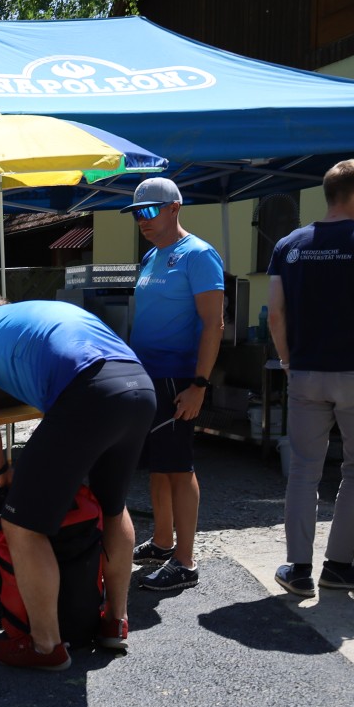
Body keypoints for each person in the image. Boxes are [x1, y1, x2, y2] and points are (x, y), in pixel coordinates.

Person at [0, 295, 155, 670]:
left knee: (21, 522)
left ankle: (45, 646)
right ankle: (115, 620)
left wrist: (1, 470)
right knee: (112, 505)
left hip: (90, 392)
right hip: (139, 386)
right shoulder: (32, 314)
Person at [267, 159, 354, 597]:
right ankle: (339, 565)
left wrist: (288, 360)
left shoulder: (288, 244)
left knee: (304, 471)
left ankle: (298, 570)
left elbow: (276, 315)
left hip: (306, 372)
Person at [120, 176, 225, 592]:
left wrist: (199, 383)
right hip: (146, 375)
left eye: (149, 211)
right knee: (158, 465)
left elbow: (214, 324)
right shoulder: (152, 255)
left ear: (174, 208)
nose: (142, 220)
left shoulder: (198, 254)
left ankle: (185, 561)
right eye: (136, 214)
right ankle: (163, 541)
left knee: (179, 467)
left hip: (178, 377)